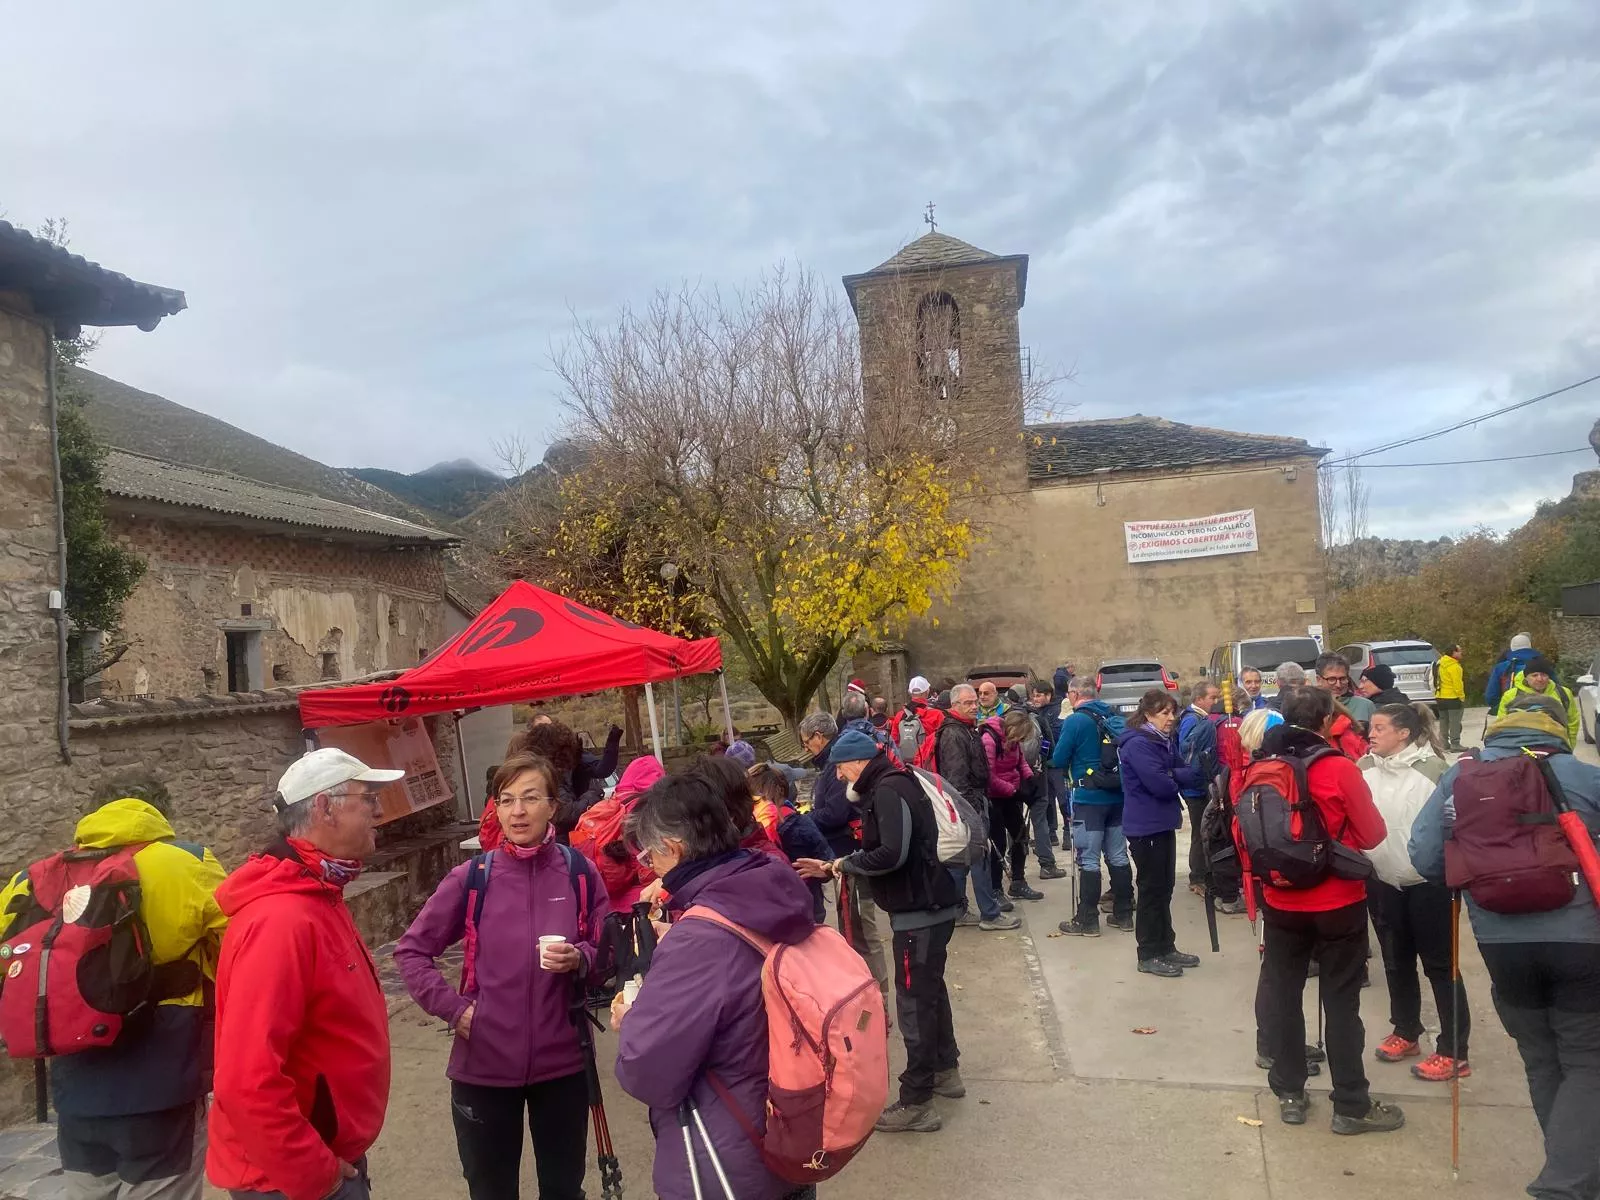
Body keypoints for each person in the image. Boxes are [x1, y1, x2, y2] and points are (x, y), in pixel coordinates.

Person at [1410, 693, 1600, 1200]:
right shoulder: (1583, 775)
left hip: (1500, 943)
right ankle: (1565, 1181)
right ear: (1557, 729)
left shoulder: (1461, 776)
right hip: (1580, 940)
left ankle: (1571, 1166)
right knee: (1587, 1060)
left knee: (1542, 1059)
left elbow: (1425, 856)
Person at [395, 753, 610, 1200]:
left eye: (530, 798)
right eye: (506, 800)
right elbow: (412, 953)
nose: (517, 811)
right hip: (483, 1069)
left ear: (553, 805)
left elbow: (607, 955)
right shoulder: (473, 878)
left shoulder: (579, 874)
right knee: (491, 1192)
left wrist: (582, 959)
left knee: (564, 1190)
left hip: (562, 1066)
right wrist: (455, 1010)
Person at [0, 781, 225, 1200]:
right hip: (163, 1082)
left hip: (74, 1088)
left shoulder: (32, 879)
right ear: (161, 814)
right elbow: (239, 948)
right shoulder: (187, 862)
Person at [611, 775, 820, 1200]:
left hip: (723, 1153)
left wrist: (632, 1020)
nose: (649, 868)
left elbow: (647, 1071)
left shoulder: (701, 938)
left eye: (649, 856)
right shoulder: (771, 883)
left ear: (674, 848)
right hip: (792, 1127)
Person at [208, 748, 399, 1200]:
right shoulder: (281, 919)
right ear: (324, 808)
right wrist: (317, 1175)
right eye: (366, 796)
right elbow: (245, 1080)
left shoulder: (317, 892)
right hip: (293, 1180)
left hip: (322, 1159)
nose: (378, 809)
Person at [802, 730, 964, 1134]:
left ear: (858, 762)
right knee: (930, 994)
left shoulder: (888, 790)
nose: (839, 777)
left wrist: (845, 865)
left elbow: (892, 853)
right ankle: (946, 1070)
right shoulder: (894, 782)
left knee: (914, 1003)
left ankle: (917, 1100)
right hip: (930, 905)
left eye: (841, 767)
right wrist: (838, 865)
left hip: (918, 911)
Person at [1255, 688, 1401, 1135]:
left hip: (1280, 900)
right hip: (1338, 900)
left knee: (1283, 994)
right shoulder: (1339, 767)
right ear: (1324, 723)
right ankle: (1351, 1105)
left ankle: (1290, 1093)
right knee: (1341, 1003)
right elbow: (1373, 835)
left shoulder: (1261, 769)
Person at [1356, 704, 1468, 1083]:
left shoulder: (1436, 771)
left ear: (1404, 733)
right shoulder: (1363, 768)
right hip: (1383, 879)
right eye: (1371, 727)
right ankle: (1406, 1031)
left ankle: (1454, 1051)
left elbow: (1458, 827)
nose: (1371, 734)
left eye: (1380, 728)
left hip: (1430, 884)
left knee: (1440, 965)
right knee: (1395, 960)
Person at [798, 712, 893, 1010]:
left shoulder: (836, 764)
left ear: (818, 736)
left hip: (852, 853)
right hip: (846, 855)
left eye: (806, 742)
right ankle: (867, 992)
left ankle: (878, 997)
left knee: (862, 928)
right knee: (853, 926)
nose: (805, 749)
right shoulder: (832, 763)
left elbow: (836, 813)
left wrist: (803, 821)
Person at [1118, 689, 1203, 977]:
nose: (1171, 718)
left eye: (1173, 712)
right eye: (1164, 713)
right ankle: (1148, 953)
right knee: (1151, 890)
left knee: (1165, 889)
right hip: (1146, 826)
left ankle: (1166, 945)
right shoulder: (1139, 745)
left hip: (1163, 822)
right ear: (1148, 715)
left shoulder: (1163, 742)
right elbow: (1160, 785)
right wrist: (1172, 776)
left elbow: (1188, 772)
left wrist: (1172, 775)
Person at [1052, 676, 1135, 936]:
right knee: (1119, 855)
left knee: (1088, 859)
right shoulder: (1112, 716)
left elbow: (1059, 758)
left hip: (1088, 799)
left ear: (1074, 694)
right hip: (1116, 795)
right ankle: (1123, 914)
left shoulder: (1075, 720)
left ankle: (1086, 920)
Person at [936, 684, 1018, 930]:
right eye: (968, 703)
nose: (974, 706)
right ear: (955, 705)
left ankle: (957, 910)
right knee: (979, 858)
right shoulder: (954, 733)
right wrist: (970, 812)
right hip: (966, 805)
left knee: (961, 860)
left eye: (975, 702)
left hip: (970, 801)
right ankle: (990, 915)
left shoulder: (964, 729)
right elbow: (955, 777)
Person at [748, 765, 834, 924]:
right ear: (782, 790)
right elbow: (827, 858)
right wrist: (826, 870)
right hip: (807, 903)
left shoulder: (747, 827)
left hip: (766, 909)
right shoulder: (800, 824)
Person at [983, 707, 1045, 903]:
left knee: (1020, 836)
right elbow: (989, 776)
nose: (1019, 741)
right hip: (994, 796)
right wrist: (1013, 790)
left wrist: (1030, 779)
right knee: (998, 843)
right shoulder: (989, 739)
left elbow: (1021, 762)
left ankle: (1018, 882)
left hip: (1011, 793)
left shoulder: (1013, 741)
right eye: (1019, 737)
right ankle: (995, 889)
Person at [1178, 681, 1222, 898]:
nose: (1216, 701)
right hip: (1195, 787)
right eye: (1212, 697)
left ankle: (1205, 873)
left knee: (1206, 830)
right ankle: (1197, 877)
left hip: (1199, 784)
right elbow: (1187, 753)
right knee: (1200, 832)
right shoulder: (1191, 720)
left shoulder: (1198, 719)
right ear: (1199, 699)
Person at [1025, 680, 1069, 873]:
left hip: (1057, 763)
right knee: (1047, 799)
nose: (1036, 699)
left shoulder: (1058, 710)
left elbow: (1057, 736)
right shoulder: (1037, 713)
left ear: (1049, 695)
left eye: (1039, 695)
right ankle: (1051, 833)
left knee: (1063, 798)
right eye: (1034, 696)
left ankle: (1068, 832)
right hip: (1044, 764)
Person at [1497, 654, 1581, 746]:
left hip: (1556, 745)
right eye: (1534, 675)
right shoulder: (1511, 696)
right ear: (1526, 677)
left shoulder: (1563, 693)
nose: (1540, 679)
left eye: (1543, 675)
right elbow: (1502, 724)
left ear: (1549, 676)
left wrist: (1569, 746)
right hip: (1521, 746)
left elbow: (1572, 722)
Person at [1484, 631, 1542, 712]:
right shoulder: (1543, 665)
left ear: (1512, 647)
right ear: (1530, 646)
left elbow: (1491, 696)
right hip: (1539, 711)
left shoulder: (1501, 667)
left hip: (1510, 712)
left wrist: (1501, 708)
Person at [1316, 652, 1374, 726]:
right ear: (1318, 679)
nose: (1338, 685)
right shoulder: (1310, 707)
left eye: (1342, 679)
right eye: (1331, 679)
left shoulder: (1365, 706)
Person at [1434, 643, 1466, 751]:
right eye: (1459, 651)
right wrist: (1461, 697)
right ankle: (1455, 744)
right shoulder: (1455, 667)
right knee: (1455, 722)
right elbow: (1458, 685)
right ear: (1453, 652)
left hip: (1440, 696)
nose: (1461, 653)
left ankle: (1443, 743)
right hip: (1452, 697)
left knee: (1444, 721)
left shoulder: (1439, 664)